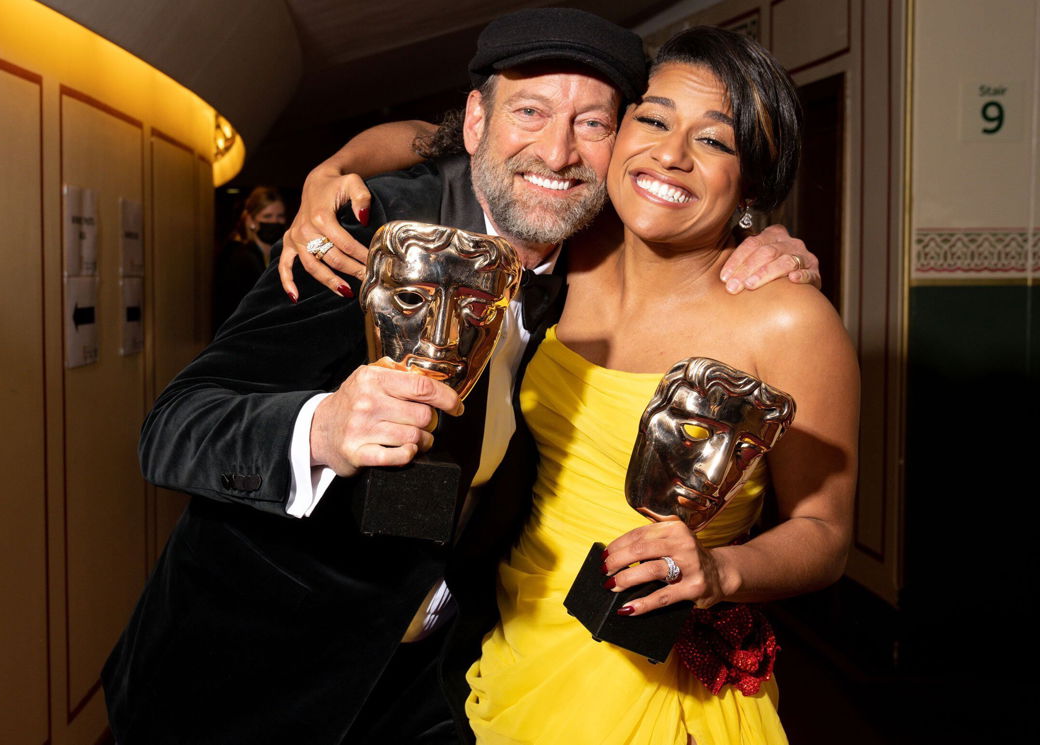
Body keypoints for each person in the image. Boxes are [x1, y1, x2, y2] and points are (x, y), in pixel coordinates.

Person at [102, 10, 818, 745]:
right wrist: (322, 428)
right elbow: (173, 425)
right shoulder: (361, 235)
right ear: (476, 119)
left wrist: (761, 238)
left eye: (593, 123)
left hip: (441, 689)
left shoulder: (591, 259)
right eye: (530, 111)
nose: (557, 150)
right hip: (242, 687)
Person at [281, 24, 856, 745]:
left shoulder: (788, 319)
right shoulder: (572, 247)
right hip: (509, 642)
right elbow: (447, 137)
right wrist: (327, 171)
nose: (671, 155)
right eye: (653, 119)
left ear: (754, 178)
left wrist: (720, 570)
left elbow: (826, 535)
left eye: (714, 140)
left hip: (650, 683)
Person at [212, 185, 285, 331]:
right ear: (252, 221)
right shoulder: (240, 258)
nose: (275, 222)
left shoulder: (280, 255)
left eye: (280, 216)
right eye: (267, 216)